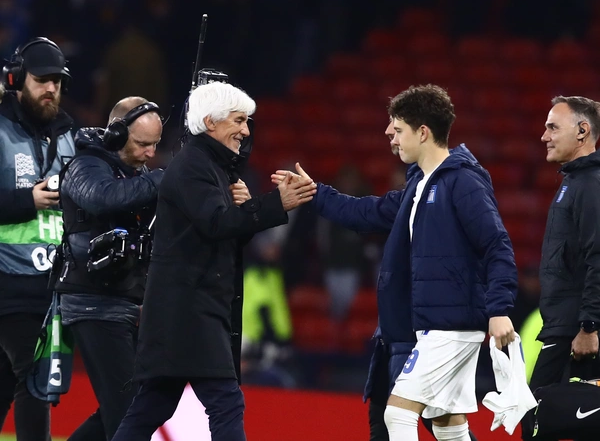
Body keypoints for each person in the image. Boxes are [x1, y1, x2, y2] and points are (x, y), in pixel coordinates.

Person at [273, 84, 517, 441]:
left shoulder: (462, 181)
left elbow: (496, 244)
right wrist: (315, 193)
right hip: (434, 327)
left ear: (423, 132)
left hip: (449, 328)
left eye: (398, 128)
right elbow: (366, 212)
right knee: (448, 426)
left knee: (398, 414)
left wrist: (499, 310)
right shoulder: (420, 185)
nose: (390, 133)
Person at [111, 81, 317, 441]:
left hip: (187, 310)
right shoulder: (194, 166)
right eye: (238, 120)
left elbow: (224, 233)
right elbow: (217, 224)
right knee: (225, 403)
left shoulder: (212, 167)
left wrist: (248, 207)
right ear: (210, 122)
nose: (246, 131)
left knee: (153, 406)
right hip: (191, 311)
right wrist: (273, 204)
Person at [56, 96, 164, 440]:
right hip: (92, 301)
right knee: (129, 412)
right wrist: (160, 180)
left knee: (126, 409)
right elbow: (102, 197)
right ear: (117, 134)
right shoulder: (85, 164)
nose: (150, 153)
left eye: (155, 144)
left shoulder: (136, 175)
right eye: (143, 143)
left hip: (123, 300)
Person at [0, 37, 74, 440]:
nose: (50, 89)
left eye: (56, 82)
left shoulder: (69, 137)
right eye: (42, 80)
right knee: (35, 377)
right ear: (16, 79)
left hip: (49, 288)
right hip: (8, 285)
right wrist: (26, 200)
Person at [522, 96, 600, 441]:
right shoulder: (574, 182)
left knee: (537, 423)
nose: (544, 136)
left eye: (553, 127)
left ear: (582, 131)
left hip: (576, 331)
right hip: (565, 326)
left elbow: (598, 256)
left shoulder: (590, 184)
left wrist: (589, 326)